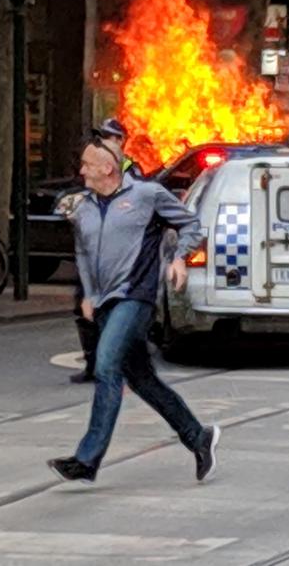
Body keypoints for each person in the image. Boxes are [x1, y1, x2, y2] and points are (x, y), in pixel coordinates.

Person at [47, 137, 220, 485]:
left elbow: (190, 224)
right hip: (106, 301)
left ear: (108, 168)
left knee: (107, 364)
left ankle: (87, 458)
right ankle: (197, 437)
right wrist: (89, 294)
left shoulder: (146, 196)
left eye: (87, 164)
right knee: (142, 379)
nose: (81, 170)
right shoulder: (84, 207)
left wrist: (178, 258)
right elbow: (82, 252)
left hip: (136, 296)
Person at [68, 118, 144, 384]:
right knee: (85, 306)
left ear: (121, 142)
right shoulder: (93, 167)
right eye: (101, 137)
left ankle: (115, 365)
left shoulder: (130, 172)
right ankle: (93, 364)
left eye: (110, 137)